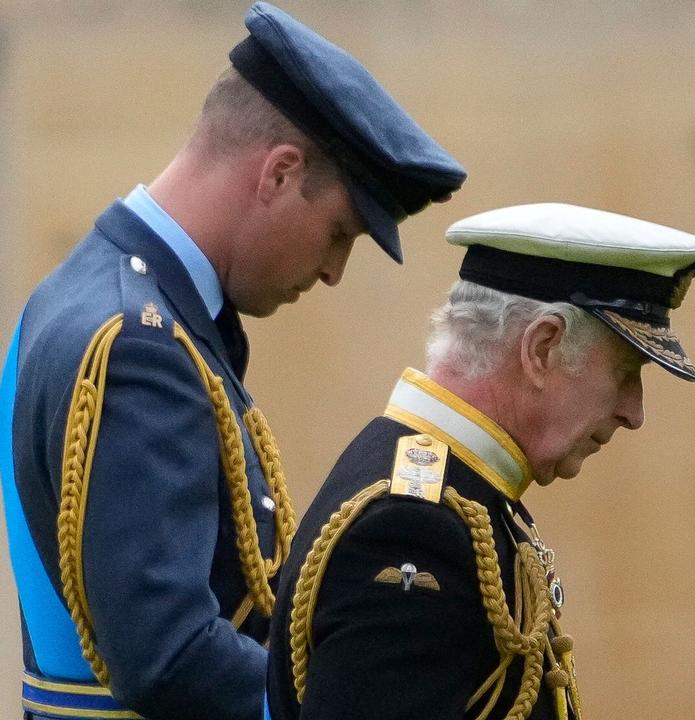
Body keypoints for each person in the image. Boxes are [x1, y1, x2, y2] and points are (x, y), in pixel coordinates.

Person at [0, 3, 466, 719]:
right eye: (340, 231)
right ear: (279, 174)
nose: (335, 269)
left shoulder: (79, 294)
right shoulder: (139, 343)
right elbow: (170, 656)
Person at [264, 203, 695, 720]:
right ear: (542, 347)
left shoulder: (452, 493)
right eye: (627, 369)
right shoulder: (413, 527)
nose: (633, 412)